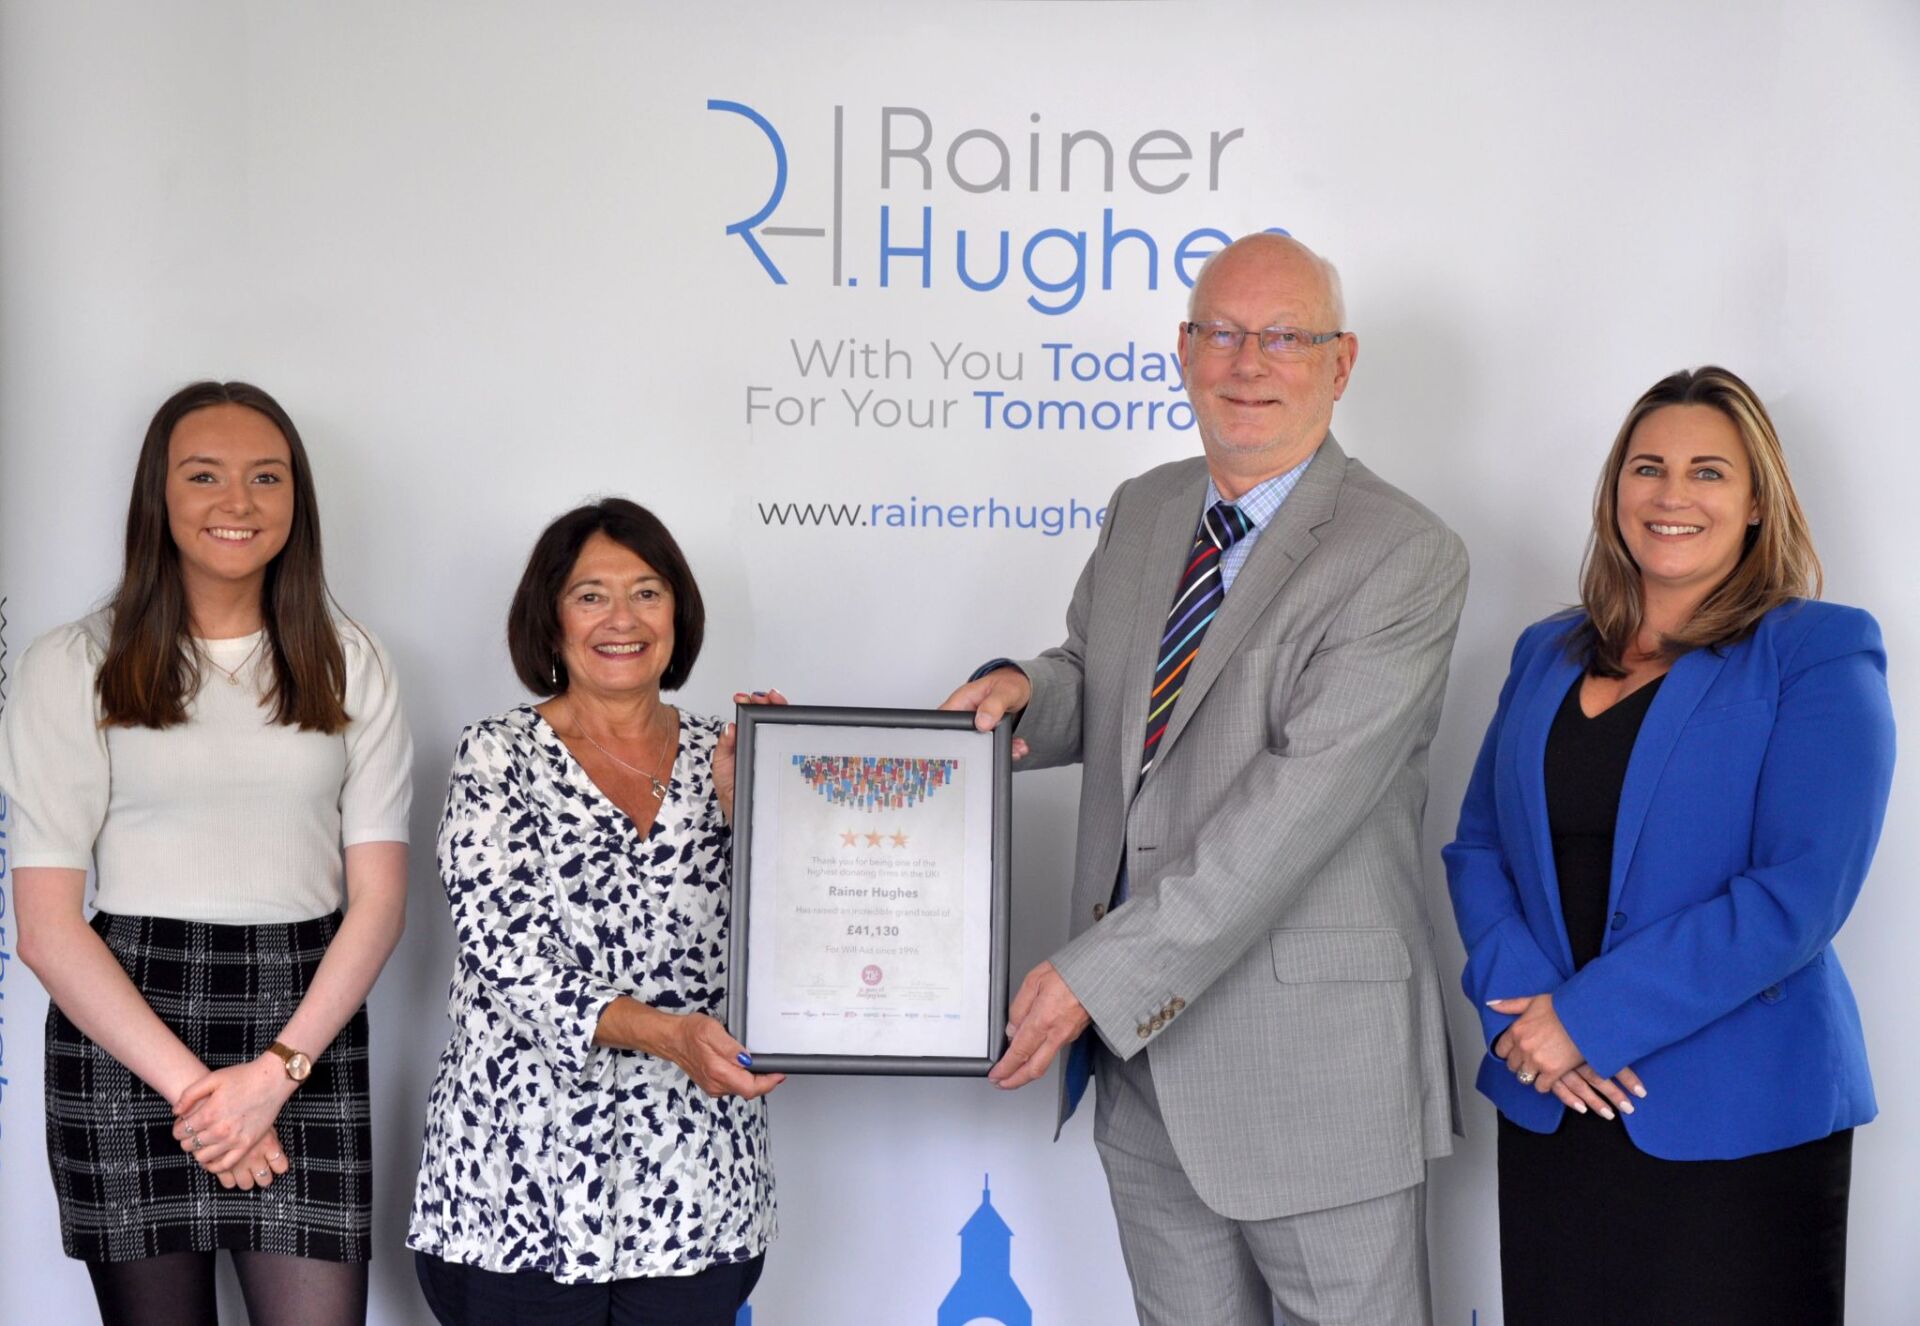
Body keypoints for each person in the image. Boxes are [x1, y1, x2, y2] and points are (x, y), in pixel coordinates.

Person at [942, 233, 1466, 1326]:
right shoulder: (1145, 508)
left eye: (1285, 337)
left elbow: (1292, 813)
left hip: (1315, 1081)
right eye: (1222, 333)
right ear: (1183, 350)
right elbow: (1103, 681)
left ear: (1341, 361)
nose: (1248, 362)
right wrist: (1023, 696)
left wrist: (1095, 978)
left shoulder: (1402, 554)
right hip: (1146, 1074)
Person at [1444, 366, 1894, 1325]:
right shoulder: (1545, 653)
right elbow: (1479, 847)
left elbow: (1799, 894)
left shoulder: (1815, 651)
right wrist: (1533, 1024)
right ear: (1617, 491)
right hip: (1552, 1100)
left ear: (1758, 502)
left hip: (1737, 1121)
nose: (1672, 495)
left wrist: (1588, 1019)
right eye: (1647, 467)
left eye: (1708, 472)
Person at [3, 381, 413, 1325]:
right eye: (204, 475)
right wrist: (203, 1096)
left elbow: (379, 903)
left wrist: (273, 1076)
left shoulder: (351, 660)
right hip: (127, 1024)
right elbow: (48, 929)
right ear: (159, 493)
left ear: (297, 499)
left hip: (304, 1028)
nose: (239, 502)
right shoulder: (73, 664)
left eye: (266, 477)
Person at [408, 498, 781, 1326]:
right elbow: (511, 959)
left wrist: (764, 812)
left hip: (694, 1188)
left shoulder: (735, 753)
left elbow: (794, 938)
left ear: (678, 615)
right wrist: (671, 1034)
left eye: (647, 593)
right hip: (517, 1193)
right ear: (550, 620)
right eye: (591, 596)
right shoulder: (496, 755)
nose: (622, 619)